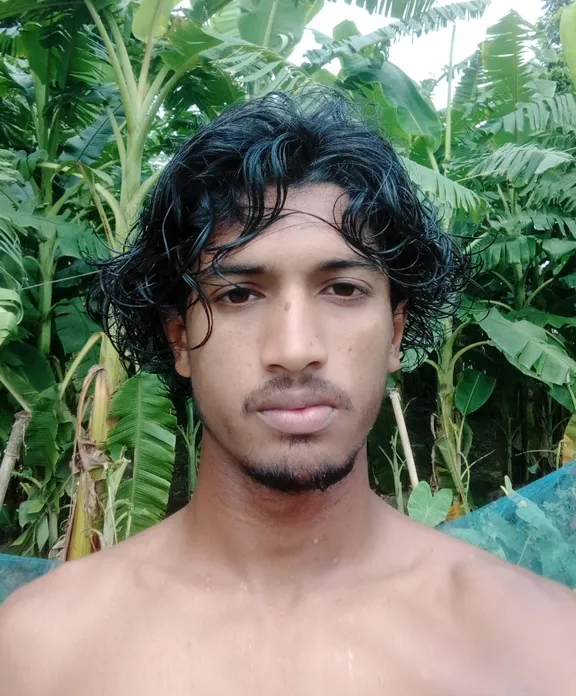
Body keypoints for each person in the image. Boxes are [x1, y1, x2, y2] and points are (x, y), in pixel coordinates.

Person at [0, 92, 574, 695]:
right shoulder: (37, 653)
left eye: (344, 289)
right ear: (179, 338)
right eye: (239, 295)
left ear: (395, 333)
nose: (295, 348)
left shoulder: (543, 646)